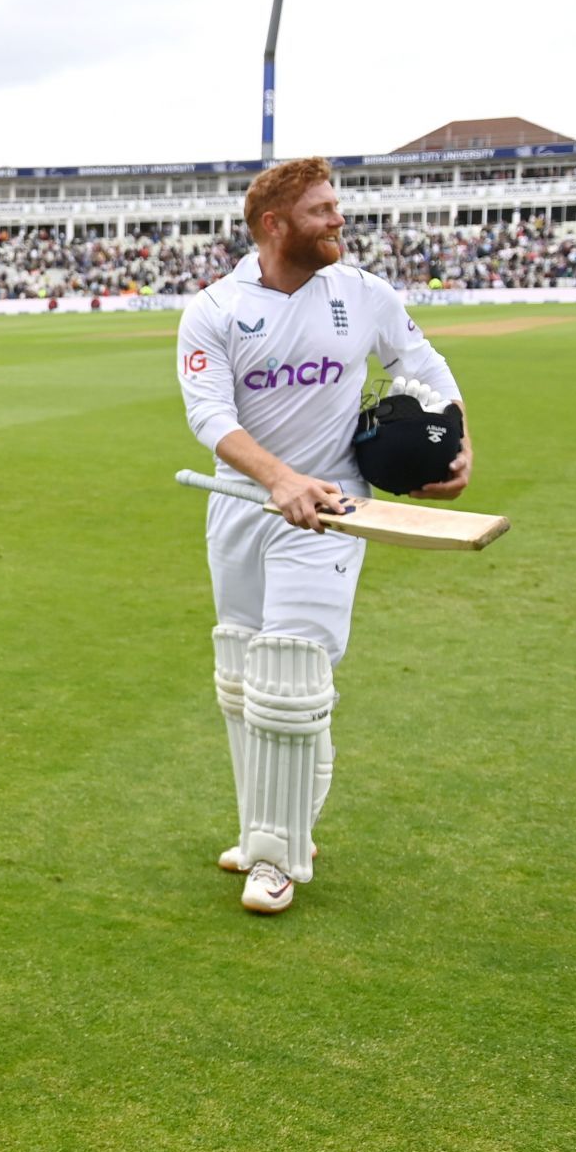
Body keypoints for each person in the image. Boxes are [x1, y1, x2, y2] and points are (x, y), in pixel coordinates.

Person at [174, 157, 472, 915]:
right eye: (322, 210)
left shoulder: (364, 293)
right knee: (244, 674)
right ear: (274, 224)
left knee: (292, 671)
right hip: (243, 503)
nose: (339, 219)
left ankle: (275, 857)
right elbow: (211, 418)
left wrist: (459, 438)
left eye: (337, 206)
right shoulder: (213, 308)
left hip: (333, 507)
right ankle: (267, 824)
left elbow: (423, 363)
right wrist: (277, 478)